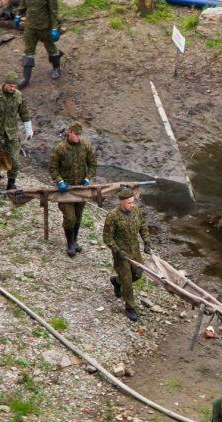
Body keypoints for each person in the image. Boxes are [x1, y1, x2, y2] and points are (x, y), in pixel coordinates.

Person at [102, 188, 152, 322]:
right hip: (121, 254)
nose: (132, 204)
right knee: (128, 281)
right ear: (121, 203)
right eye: (129, 202)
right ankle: (130, 307)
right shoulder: (113, 216)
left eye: (133, 201)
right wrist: (118, 251)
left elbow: (143, 226)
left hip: (135, 250)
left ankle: (116, 282)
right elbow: (107, 238)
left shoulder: (136, 211)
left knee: (138, 273)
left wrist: (146, 241)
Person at [48, 121, 96, 257]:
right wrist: (59, 181)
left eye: (79, 135)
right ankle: (69, 243)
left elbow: (93, 165)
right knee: (70, 217)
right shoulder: (60, 148)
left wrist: (88, 178)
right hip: (65, 190)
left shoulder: (86, 146)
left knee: (78, 216)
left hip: (81, 189)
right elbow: (53, 168)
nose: (77, 137)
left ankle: (74, 241)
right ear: (69, 132)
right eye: (75, 134)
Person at [14, 0, 62, 88]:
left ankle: (56, 68)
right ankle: (25, 78)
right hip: (30, 26)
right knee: (28, 51)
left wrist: (55, 28)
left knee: (51, 48)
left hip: (44, 27)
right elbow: (23, 3)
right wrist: (18, 14)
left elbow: (54, 12)